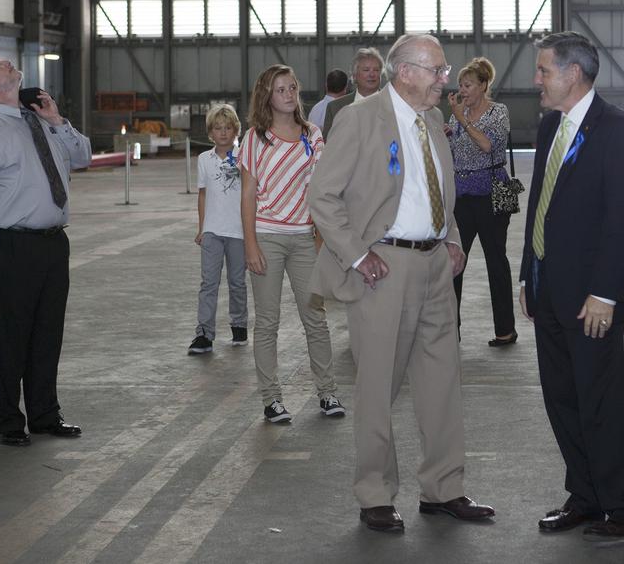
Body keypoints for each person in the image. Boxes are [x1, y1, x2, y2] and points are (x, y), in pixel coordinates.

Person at [308, 34, 495, 534]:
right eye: (437, 70)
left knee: (442, 380)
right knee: (378, 384)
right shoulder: (359, 118)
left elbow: (439, 186)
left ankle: (444, 487)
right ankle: (374, 493)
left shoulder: (433, 119)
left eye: (444, 70)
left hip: (435, 265)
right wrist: (356, 254)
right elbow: (322, 196)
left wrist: (451, 236)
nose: (445, 79)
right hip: (384, 267)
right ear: (405, 72)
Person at [518, 31, 624, 541]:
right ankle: (586, 496)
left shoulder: (616, 129)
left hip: (594, 296)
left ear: (573, 74)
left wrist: (605, 292)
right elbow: (540, 204)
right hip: (550, 287)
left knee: (598, 401)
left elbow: (622, 217)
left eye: (544, 70)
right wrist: (530, 273)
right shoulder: (552, 124)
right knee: (562, 397)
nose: (537, 79)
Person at [0, 50, 92, 446]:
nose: (8, 63)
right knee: (10, 336)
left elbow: (82, 157)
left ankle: (46, 414)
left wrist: (57, 119)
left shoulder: (40, 121)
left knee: (48, 332)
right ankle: (9, 422)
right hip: (12, 246)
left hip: (53, 244)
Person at [237, 64, 344, 423]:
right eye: (280, 89)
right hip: (267, 237)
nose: (288, 94)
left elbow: (322, 189)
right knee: (267, 322)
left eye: (292, 88)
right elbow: (248, 194)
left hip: (303, 237)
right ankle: (272, 400)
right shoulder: (254, 138)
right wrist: (250, 244)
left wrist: (320, 238)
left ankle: (328, 393)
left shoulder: (312, 135)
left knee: (315, 317)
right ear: (266, 95)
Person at [446, 57, 516, 346]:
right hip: (461, 197)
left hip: (490, 195)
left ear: (484, 86)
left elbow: (487, 145)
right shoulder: (456, 114)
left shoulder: (498, 112)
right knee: (453, 263)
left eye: (469, 85)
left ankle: (505, 329)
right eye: (461, 85)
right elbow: (455, 151)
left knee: (495, 261)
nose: (463, 90)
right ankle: (451, 329)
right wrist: (447, 134)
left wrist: (462, 119)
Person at [190, 104, 248, 354]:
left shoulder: (244, 157)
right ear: (210, 133)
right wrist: (202, 228)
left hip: (239, 231)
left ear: (236, 130)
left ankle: (239, 325)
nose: (223, 132)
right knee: (208, 283)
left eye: (228, 128)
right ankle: (204, 333)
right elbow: (202, 195)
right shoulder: (204, 160)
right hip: (212, 231)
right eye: (218, 128)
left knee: (237, 282)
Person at [322, 47, 384, 138]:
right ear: (354, 76)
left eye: (376, 70)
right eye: (366, 70)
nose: (372, 74)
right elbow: (328, 146)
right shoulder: (335, 108)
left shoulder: (394, 105)